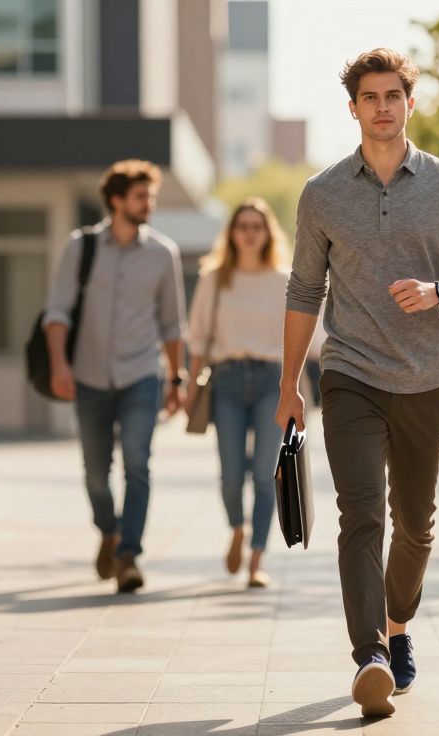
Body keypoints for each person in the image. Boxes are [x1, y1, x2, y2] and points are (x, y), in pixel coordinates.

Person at [275, 48, 439, 718]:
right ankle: (370, 654)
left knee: (417, 527)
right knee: (361, 514)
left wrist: (437, 292)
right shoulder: (322, 194)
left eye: (392, 95)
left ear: (408, 102)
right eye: (369, 97)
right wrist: (291, 383)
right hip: (351, 373)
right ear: (353, 109)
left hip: (426, 377)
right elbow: (305, 288)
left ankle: (399, 624)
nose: (382, 107)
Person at [43, 159, 186, 594]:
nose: (149, 205)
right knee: (94, 472)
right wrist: (59, 365)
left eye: (152, 197)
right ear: (116, 200)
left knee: (138, 463)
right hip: (88, 375)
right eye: (141, 197)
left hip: (142, 374)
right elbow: (57, 312)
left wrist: (175, 379)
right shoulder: (80, 247)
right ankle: (108, 530)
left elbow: (172, 325)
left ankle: (129, 554)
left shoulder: (164, 254)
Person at [186, 197, 290, 589]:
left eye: (256, 226)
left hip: (271, 381)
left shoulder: (285, 280)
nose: (249, 233)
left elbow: (306, 339)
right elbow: (198, 340)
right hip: (226, 381)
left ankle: (257, 559)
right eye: (242, 226)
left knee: (265, 475)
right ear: (231, 233)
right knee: (231, 476)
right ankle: (237, 529)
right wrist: (188, 390)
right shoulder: (214, 279)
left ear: (267, 233)